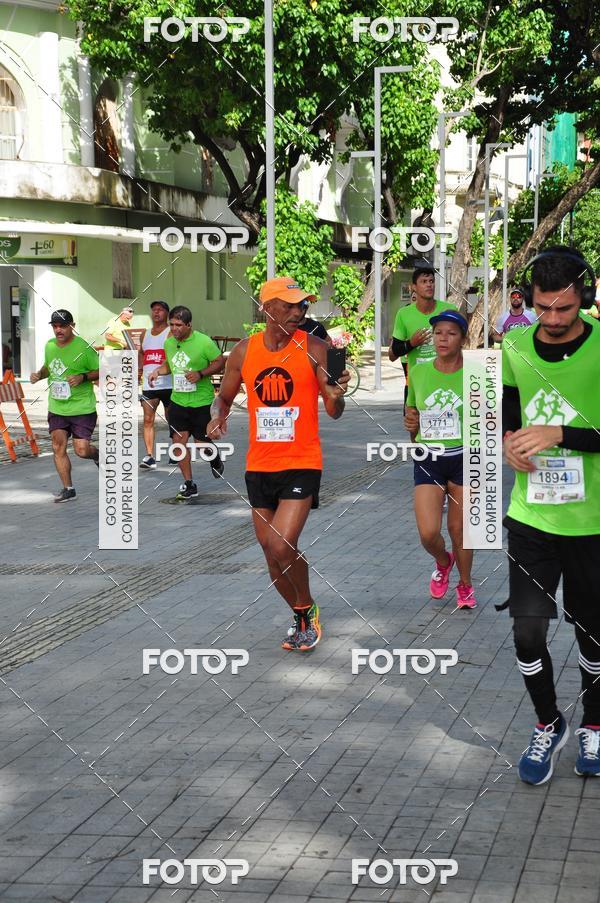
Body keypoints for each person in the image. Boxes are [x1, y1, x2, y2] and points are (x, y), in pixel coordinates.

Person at [501, 246, 600, 785]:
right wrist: (512, 444)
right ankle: (549, 722)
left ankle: (595, 724)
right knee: (527, 634)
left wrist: (562, 433)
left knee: (593, 636)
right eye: (544, 308)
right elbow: (508, 419)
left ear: (584, 297)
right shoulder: (515, 346)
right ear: (529, 301)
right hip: (532, 516)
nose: (556, 320)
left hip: (594, 524)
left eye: (566, 308)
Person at [207, 276, 349, 652]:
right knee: (270, 554)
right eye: (289, 305)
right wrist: (217, 416)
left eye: (302, 305)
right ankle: (303, 611)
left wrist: (335, 391)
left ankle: (305, 609)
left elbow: (336, 409)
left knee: (282, 545)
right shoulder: (243, 351)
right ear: (266, 308)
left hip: (303, 461)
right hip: (260, 465)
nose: (298, 312)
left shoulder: (322, 347)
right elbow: (222, 397)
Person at [404, 309, 476, 609]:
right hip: (428, 457)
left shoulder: (476, 374)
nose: (443, 338)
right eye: (438, 333)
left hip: (465, 458)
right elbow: (412, 417)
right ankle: (443, 561)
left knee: (459, 529)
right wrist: (411, 424)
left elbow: (489, 421)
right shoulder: (419, 372)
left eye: (451, 333)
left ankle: (465, 584)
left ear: (463, 338)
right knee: (428, 532)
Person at [148, 305, 225, 499]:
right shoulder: (169, 343)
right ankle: (189, 483)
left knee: (201, 445)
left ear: (189, 325)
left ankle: (214, 458)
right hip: (178, 402)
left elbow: (219, 362)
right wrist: (158, 371)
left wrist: (200, 374)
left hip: (201, 402)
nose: (174, 329)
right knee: (178, 443)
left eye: (179, 325)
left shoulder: (203, 342)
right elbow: (170, 364)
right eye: (172, 324)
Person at [30, 309, 99, 502]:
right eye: (55, 326)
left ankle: (97, 455)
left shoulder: (84, 348)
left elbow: (101, 370)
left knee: (82, 450)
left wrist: (83, 377)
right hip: (57, 407)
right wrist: (39, 375)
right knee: (57, 446)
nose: (58, 330)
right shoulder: (50, 345)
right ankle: (68, 488)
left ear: (72, 326)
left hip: (82, 408)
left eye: (62, 326)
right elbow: (49, 367)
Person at [389, 268, 455, 421]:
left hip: (445, 381)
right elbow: (394, 352)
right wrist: (412, 343)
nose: (429, 285)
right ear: (413, 287)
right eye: (424, 282)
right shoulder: (404, 314)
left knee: (448, 428)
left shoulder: (449, 310)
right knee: (414, 429)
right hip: (416, 384)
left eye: (431, 281)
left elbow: (461, 343)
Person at [139, 300, 172, 469]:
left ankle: (176, 450)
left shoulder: (170, 332)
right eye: (154, 310)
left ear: (167, 313)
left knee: (171, 419)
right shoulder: (145, 334)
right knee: (147, 420)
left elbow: (173, 355)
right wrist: (139, 370)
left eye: (160, 310)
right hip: (148, 385)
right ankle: (150, 456)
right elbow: (141, 354)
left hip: (167, 384)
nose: (156, 313)